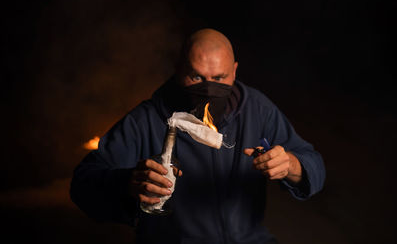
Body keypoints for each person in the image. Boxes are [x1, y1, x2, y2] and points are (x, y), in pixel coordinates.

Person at [70, 28, 326, 244]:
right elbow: (83, 184)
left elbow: (314, 166)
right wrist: (128, 182)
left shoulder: (257, 109)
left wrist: (291, 165)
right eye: (196, 77)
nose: (208, 89)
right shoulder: (145, 120)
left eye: (219, 78)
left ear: (235, 71)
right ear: (179, 69)